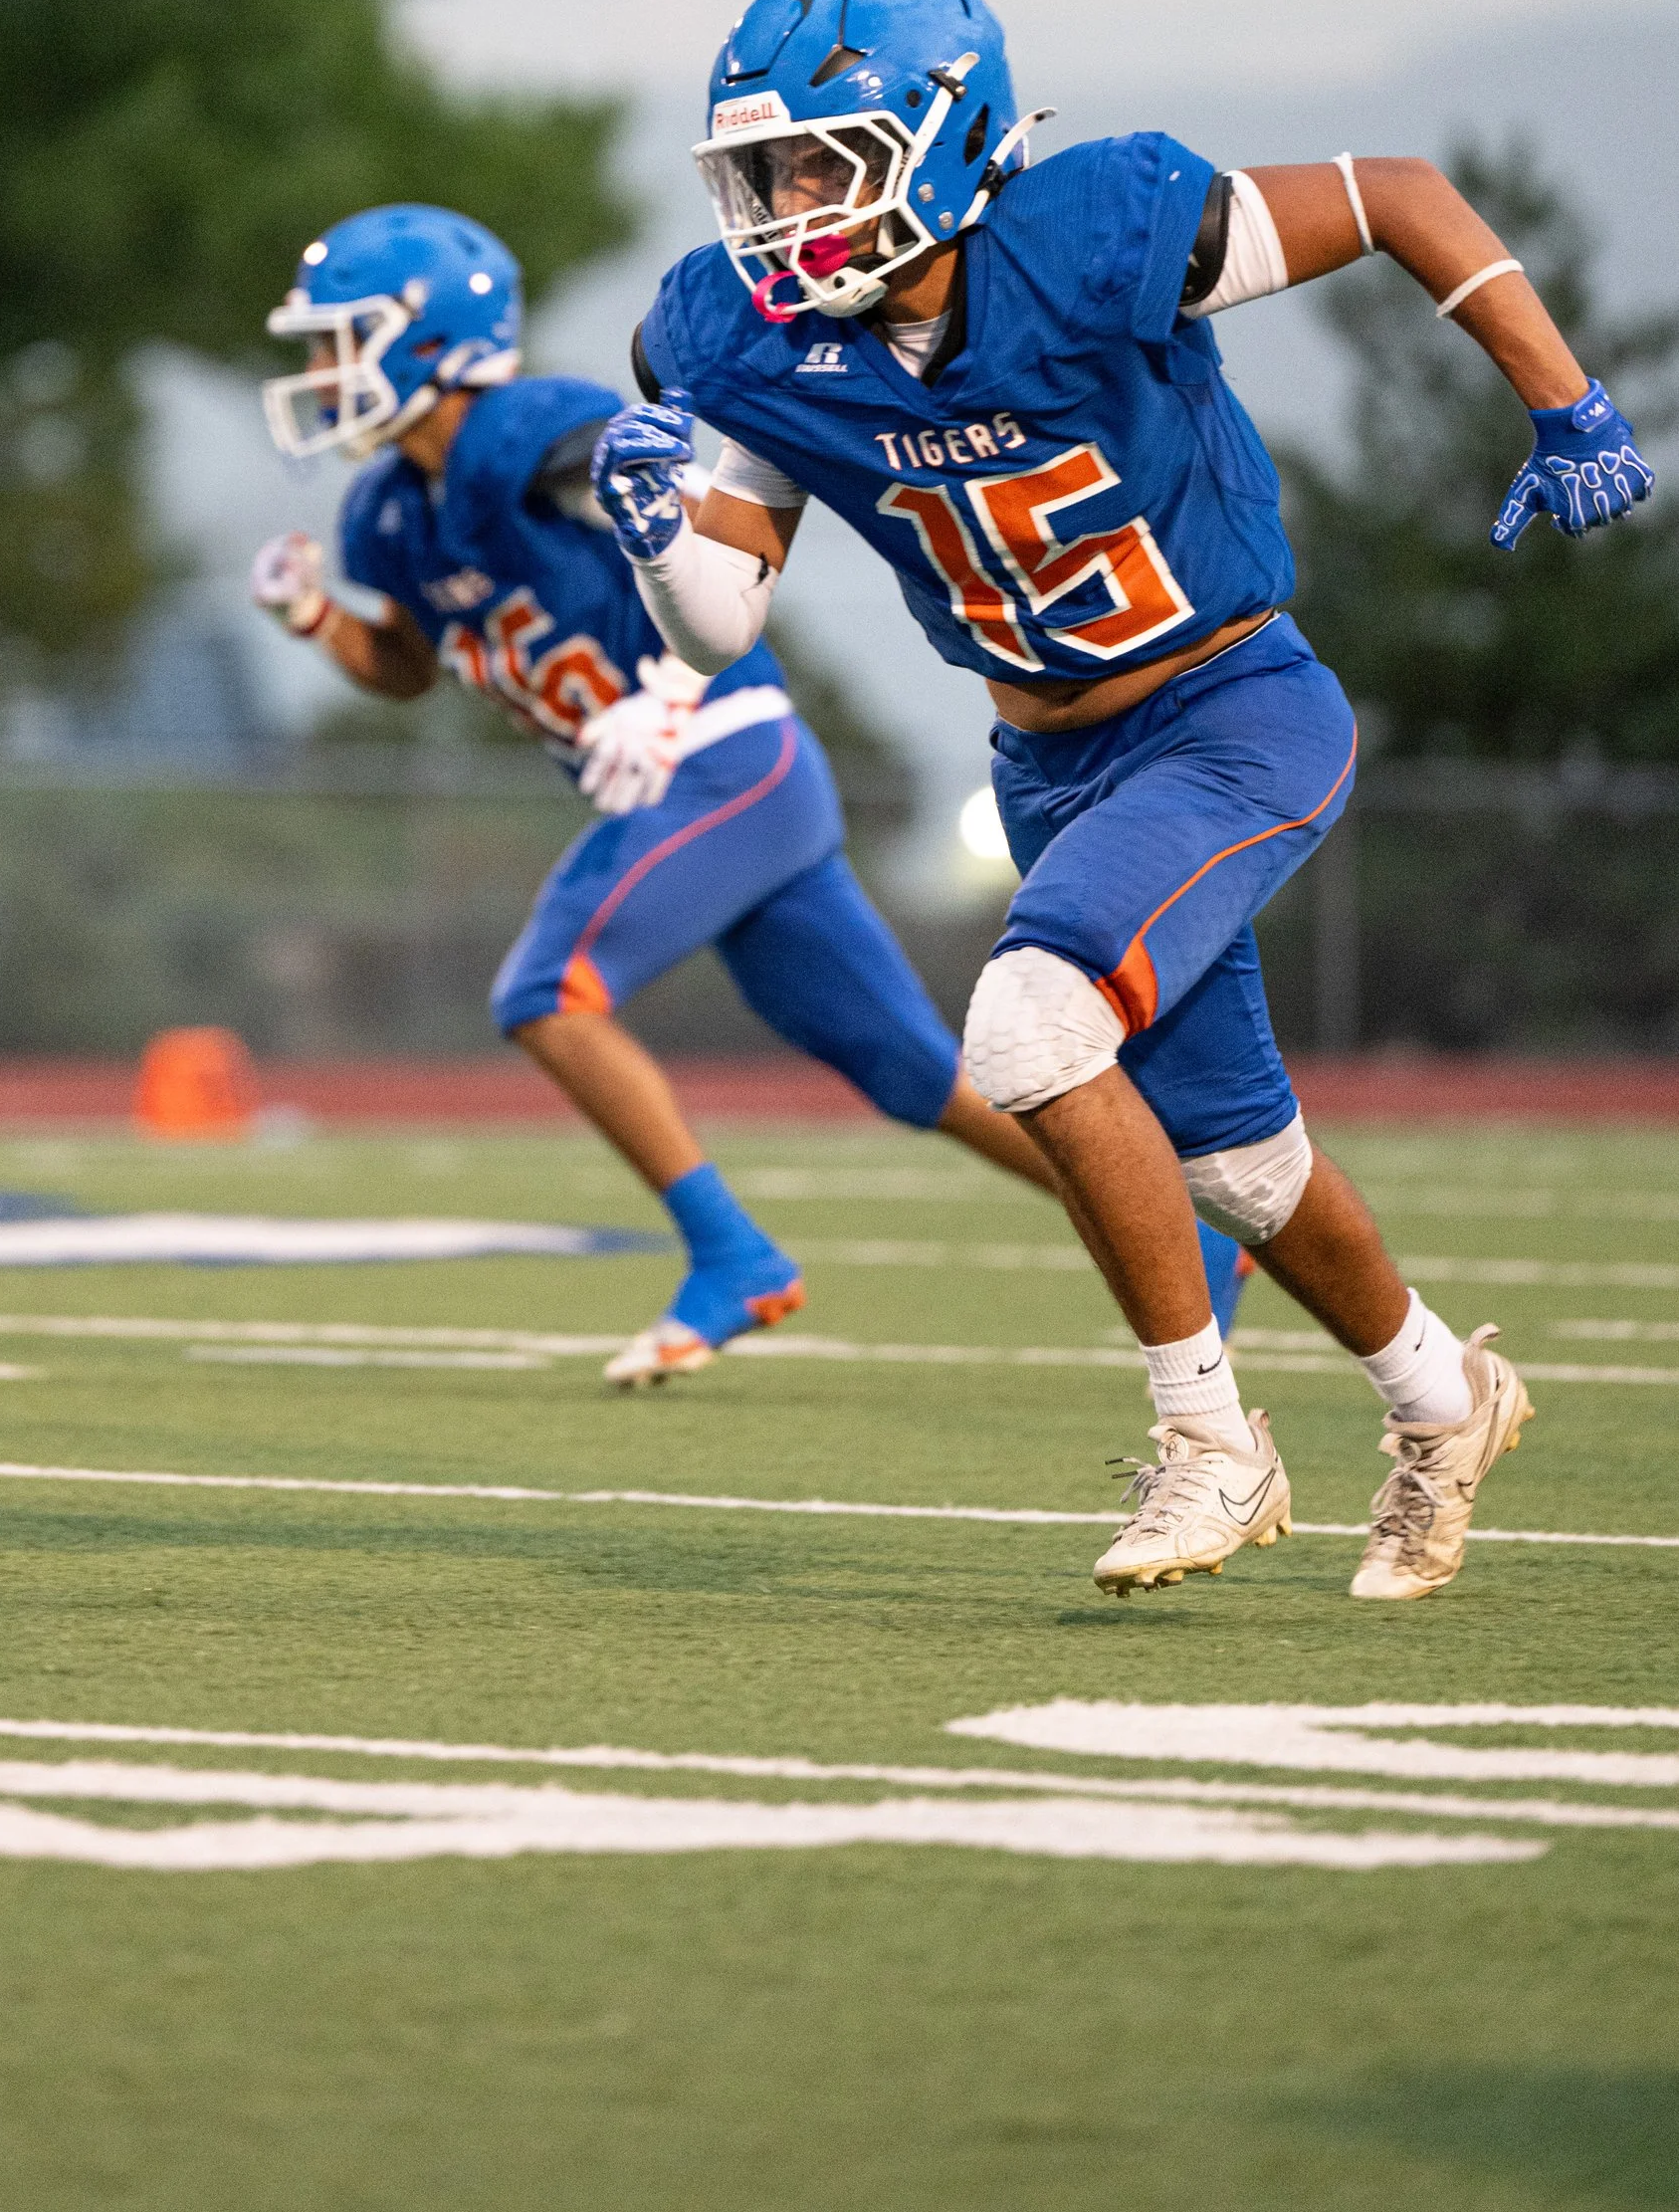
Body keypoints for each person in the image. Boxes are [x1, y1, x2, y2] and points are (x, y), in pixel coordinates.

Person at [593, 0, 1653, 1595]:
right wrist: (658, 528)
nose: (787, 209)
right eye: (767, 172)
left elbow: (1398, 196)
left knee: (1029, 1025)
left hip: (1230, 710)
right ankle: (1446, 1398)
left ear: (941, 145)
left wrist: (1564, 401)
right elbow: (722, 612)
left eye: (826, 161)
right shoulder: (746, 338)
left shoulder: (1089, 235)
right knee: (1236, 1163)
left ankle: (1213, 1447)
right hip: (1046, 759)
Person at [246, 201, 1137, 1391]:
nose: (320, 369)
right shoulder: (389, 513)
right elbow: (408, 667)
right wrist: (317, 620)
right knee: (911, 1074)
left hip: (721, 749)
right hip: (701, 786)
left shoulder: (525, 432)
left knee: (545, 993)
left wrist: (664, 689)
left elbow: (673, 509)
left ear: (427, 336)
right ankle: (1193, 1239)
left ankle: (731, 1255)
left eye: (340, 337)